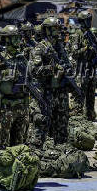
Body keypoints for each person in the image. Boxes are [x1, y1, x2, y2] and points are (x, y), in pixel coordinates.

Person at [28, 17, 71, 147]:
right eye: (55, 28)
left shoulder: (60, 47)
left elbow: (68, 65)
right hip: (46, 92)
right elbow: (35, 70)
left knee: (62, 124)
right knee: (41, 125)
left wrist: (68, 69)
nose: (58, 31)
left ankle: (61, 154)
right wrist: (52, 69)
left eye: (58, 28)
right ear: (47, 30)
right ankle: (36, 152)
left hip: (61, 92)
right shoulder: (39, 48)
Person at [0, 25, 29, 148]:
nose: (18, 41)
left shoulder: (22, 58)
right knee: (1, 144)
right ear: (7, 39)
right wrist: (6, 74)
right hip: (5, 106)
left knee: (19, 144)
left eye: (18, 38)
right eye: (14, 38)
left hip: (21, 105)